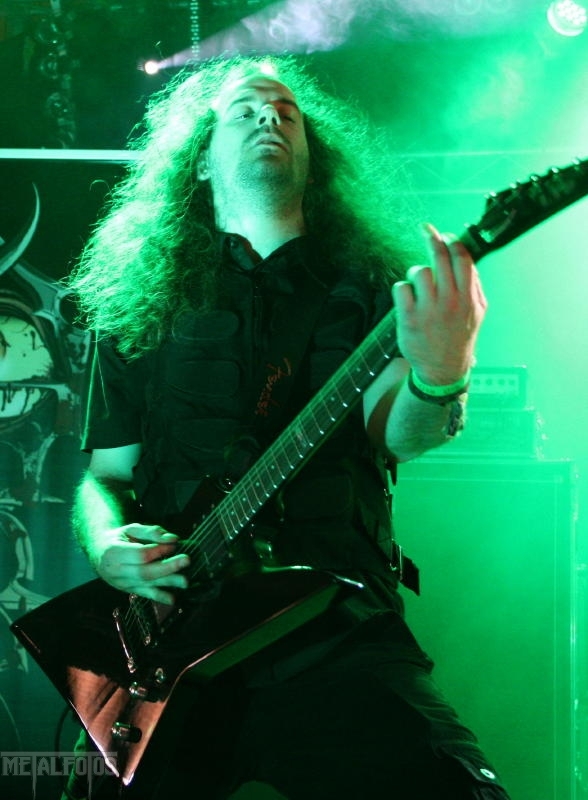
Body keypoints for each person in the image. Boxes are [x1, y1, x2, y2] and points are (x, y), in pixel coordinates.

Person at [64, 55, 510, 799]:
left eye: (286, 113)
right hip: (173, 644)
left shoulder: (374, 289)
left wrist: (442, 374)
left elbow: (399, 434)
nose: (269, 117)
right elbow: (106, 478)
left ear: (312, 155)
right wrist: (109, 545)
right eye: (244, 112)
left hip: (334, 627)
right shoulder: (141, 303)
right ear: (200, 160)